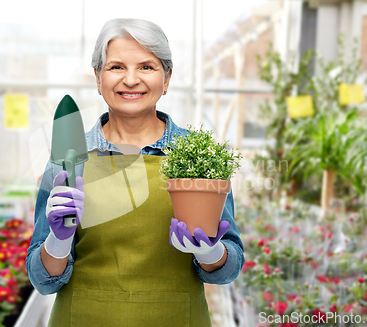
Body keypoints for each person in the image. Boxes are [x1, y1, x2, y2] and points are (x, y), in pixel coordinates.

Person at [26, 18, 244, 327]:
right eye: (116, 67)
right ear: (98, 78)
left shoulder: (199, 158)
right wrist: (57, 243)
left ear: (166, 79)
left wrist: (210, 252)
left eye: (146, 67)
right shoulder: (67, 161)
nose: (131, 80)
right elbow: (42, 281)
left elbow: (229, 269)